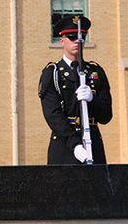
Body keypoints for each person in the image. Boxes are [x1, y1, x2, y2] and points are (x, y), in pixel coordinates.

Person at [38, 15, 112, 164]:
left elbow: (106, 116)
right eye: (72, 37)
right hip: (64, 145)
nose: (77, 42)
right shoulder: (53, 73)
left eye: (81, 37)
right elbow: (53, 114)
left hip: (93, 142)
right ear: (62, 40)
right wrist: (75, 145)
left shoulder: (95, 71)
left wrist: (92, 100)